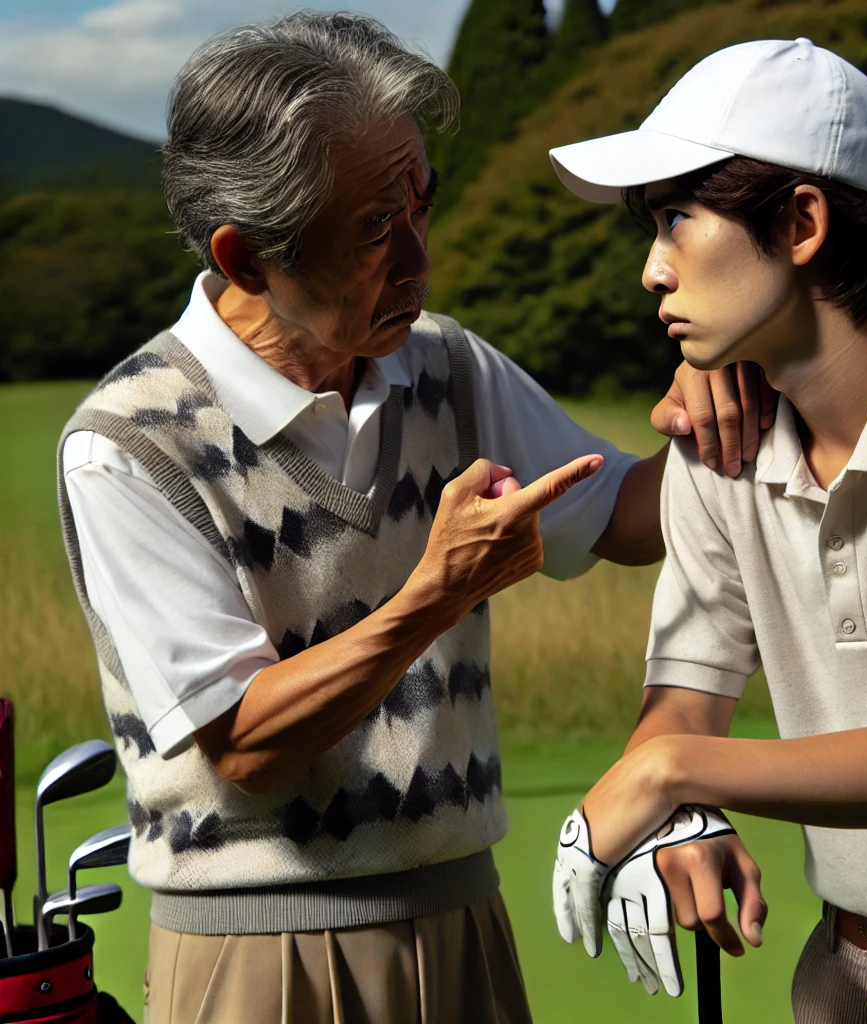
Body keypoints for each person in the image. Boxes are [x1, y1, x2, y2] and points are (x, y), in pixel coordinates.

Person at [55, 13, 767, 1024]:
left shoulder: (445, 362)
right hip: (256, 961)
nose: (419, 258)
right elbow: (247, 746)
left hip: (463, 918)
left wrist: (722, 380)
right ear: (245, 254)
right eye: (374, 230)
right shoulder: (125, 444)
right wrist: (437, 594)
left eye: (419, 206)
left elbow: (621, 515)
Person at [549, 36, 867, 1024]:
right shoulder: (721, 447)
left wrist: (668, 773)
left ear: (801, 222)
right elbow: (682, 705)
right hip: (838, 980)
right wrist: (684, 808)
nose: (651, 269)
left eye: (678, 217)